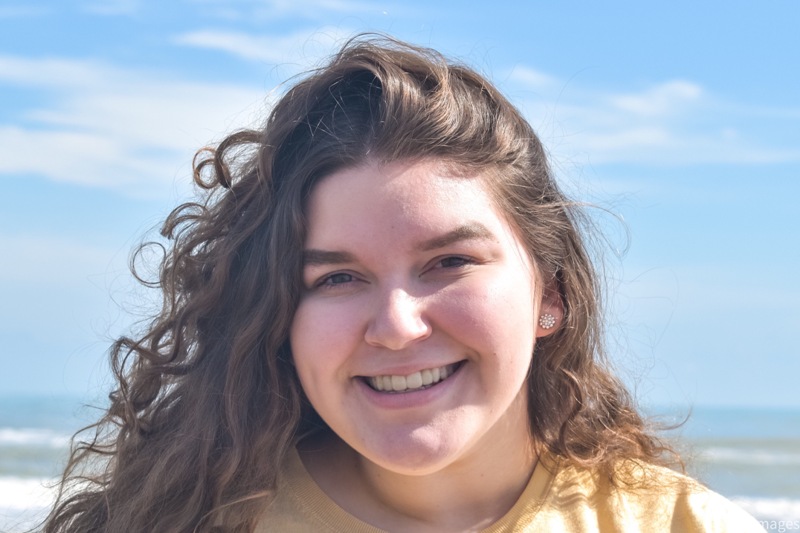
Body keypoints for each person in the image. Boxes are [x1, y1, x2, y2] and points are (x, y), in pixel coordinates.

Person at [43, 35, 764, 532]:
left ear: (550, 292)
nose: (395, 324)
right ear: (280, 315)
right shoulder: (188, 520)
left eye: (449, 262)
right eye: (337, 277)